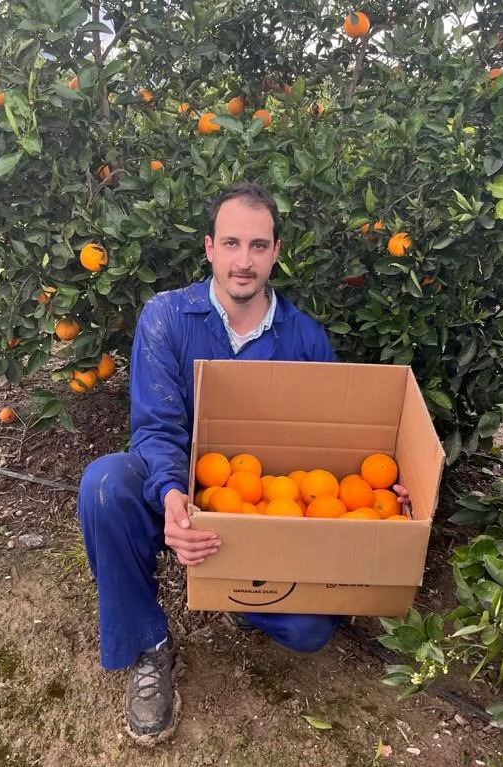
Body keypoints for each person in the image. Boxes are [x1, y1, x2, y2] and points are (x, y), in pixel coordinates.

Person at [78, 181, 408, 744]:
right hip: (178, 484)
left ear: (276, 251)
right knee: (105, 483)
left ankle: (233, 592)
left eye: (258, 246)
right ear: (208, 247)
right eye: (231, 243)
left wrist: (381, 498)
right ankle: (147, 644)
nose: (243, 261)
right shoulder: (166, 317)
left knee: (309, 632)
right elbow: (157, 427)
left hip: (263, 506)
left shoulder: (305, 339)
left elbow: (324, 450)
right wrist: (171, 495)